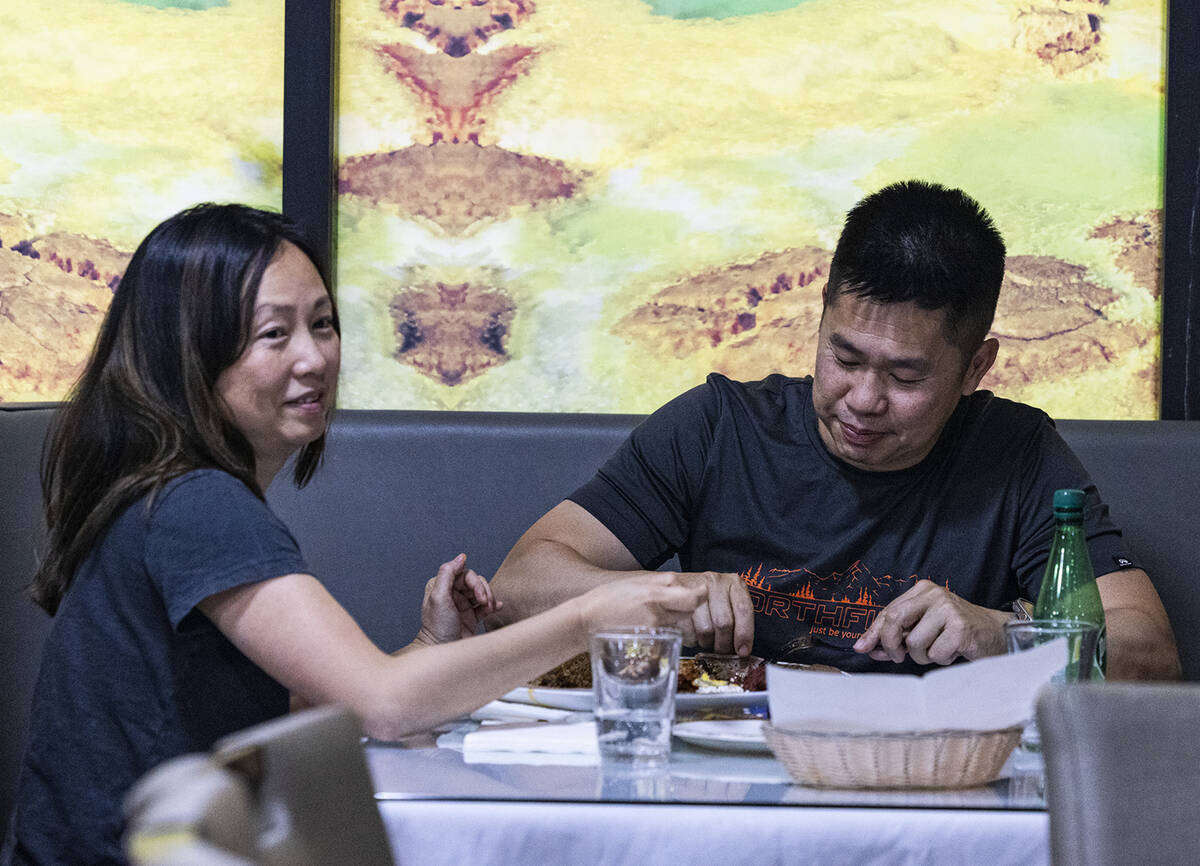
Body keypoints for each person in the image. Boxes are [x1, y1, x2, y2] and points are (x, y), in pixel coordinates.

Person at [2, 204, 705, 865]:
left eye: (324, 324)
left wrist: (432, 649)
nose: (314, 358)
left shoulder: (173, 491)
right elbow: (385, 705)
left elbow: (323, 710)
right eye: (275, 334)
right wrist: (590, 618)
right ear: (189, 353)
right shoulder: (198, 505)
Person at [489, 180, 1180, 681]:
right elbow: (521, 581)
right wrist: (658, 597)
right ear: (819, 320)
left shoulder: (1018, 455)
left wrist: (1002, 633)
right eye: (843, 358)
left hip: (926, 783)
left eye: (906, 378)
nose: (863, 400)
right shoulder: (719, 427)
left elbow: (1149, 651)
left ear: (976, 366)